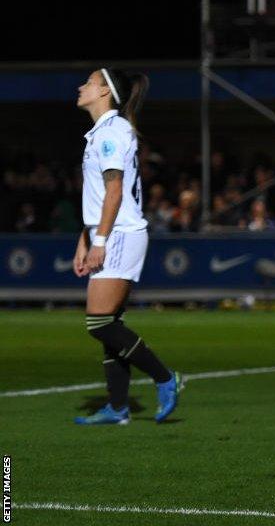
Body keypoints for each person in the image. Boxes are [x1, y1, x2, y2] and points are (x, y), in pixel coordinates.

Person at [72, 68, 182, 425]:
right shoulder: (105, 132)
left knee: (99, 322)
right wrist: (84, 241)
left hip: (119, 234)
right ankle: (117, 407)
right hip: (109, 232)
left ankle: (166, 378)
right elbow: (99, 196)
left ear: (105, 92)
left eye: (89, 82)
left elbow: (115, 191)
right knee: (111, 322)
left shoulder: (111, 133)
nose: (81, 86)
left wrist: (99, 241)